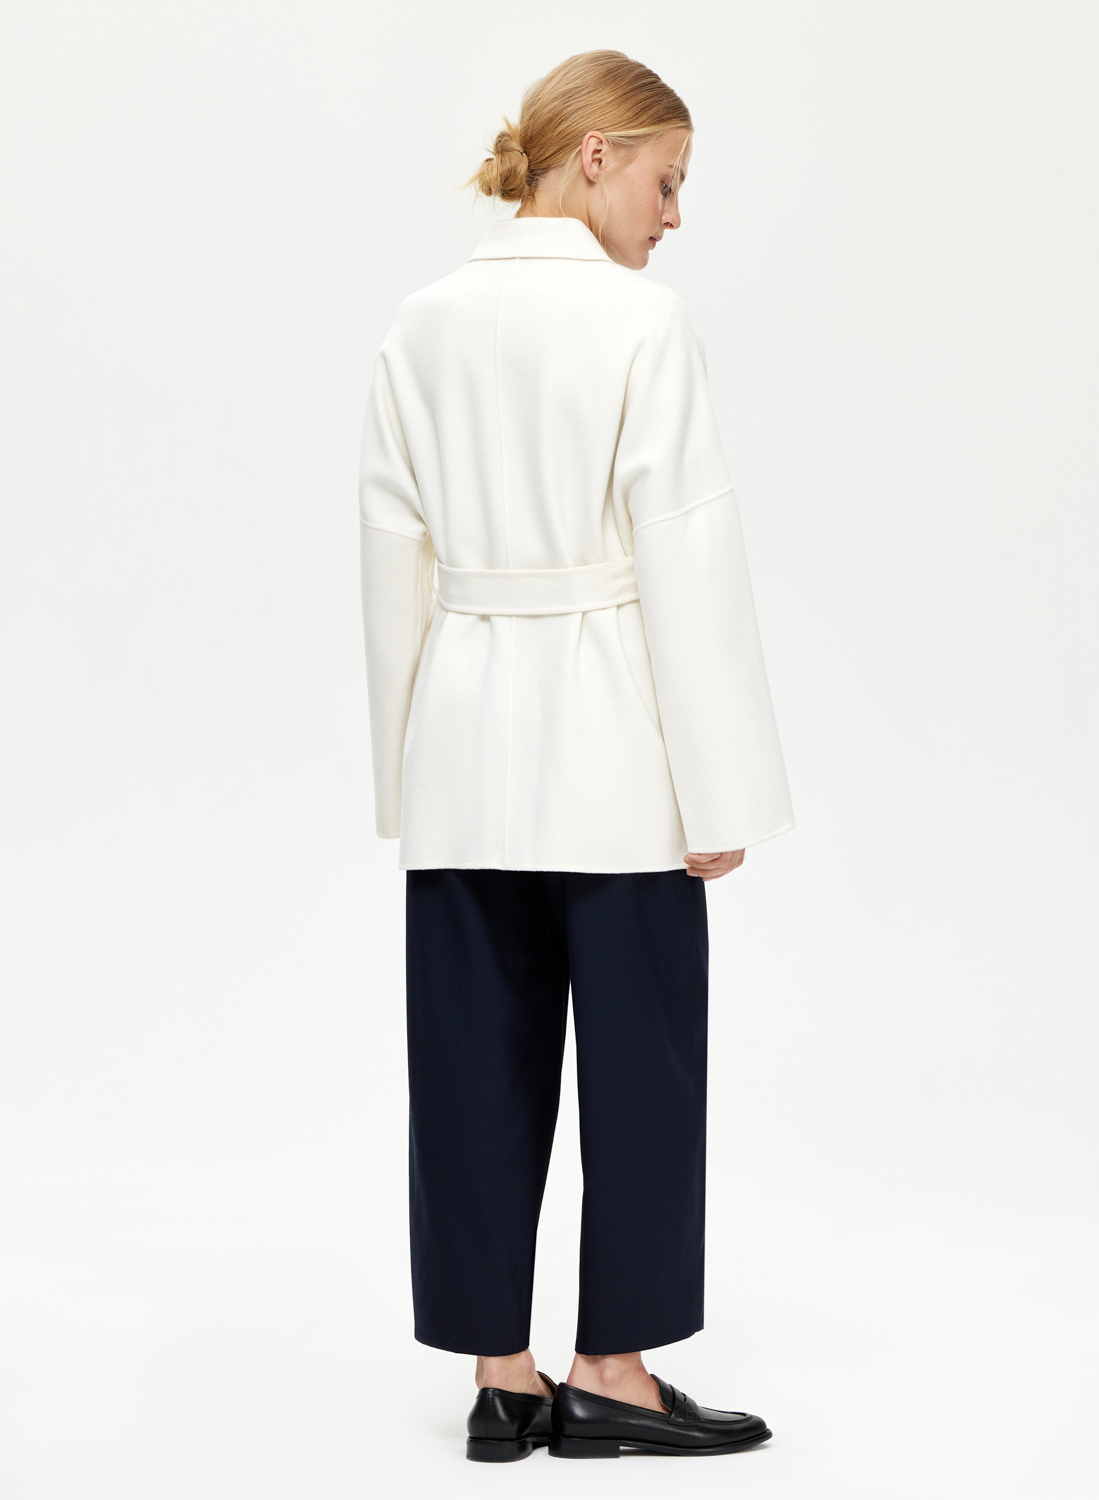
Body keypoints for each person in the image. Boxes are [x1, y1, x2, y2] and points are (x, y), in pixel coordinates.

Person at [357, 49, 794, 1462]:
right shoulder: (640, 324)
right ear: (596, 155)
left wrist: (403, 776)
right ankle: (612, 1371)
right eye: (668, 179)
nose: (675, 213)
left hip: (461, 745)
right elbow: (688, 560)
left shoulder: (419, 323)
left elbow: (390, 557)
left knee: (468, 1069)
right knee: (642, 1068)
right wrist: (721, 791)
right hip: (613, 752)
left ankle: (502, 1377)